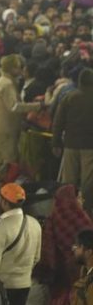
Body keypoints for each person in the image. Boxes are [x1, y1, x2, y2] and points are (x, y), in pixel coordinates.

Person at [0, 55, 39, 181]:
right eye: (18, 67)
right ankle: (5, 189)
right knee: (9, 160)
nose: (20, 70)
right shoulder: (6, 84)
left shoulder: (3, 81)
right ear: (11, 68)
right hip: (7, 127)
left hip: (2, 126)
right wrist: (37, 106)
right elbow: (14, 106)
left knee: (0, 159)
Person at [53, 69, 93, 213]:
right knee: (88, 181)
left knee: (69, 179)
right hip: (90, 146)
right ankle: (86, 210)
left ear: (80, 82)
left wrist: (56, 142)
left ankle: (66, 208)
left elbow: (58, 121)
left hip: (70, 144)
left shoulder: (69, 97)